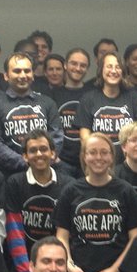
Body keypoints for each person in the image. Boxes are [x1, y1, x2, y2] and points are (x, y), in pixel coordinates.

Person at [54, 133, 137, 272]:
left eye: (104, 152)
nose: (98, 157)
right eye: (92, 152)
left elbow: (136, 237)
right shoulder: (71, 190)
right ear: (84, 157)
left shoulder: (125, 191)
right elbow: (61, 235)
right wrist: (69, 265)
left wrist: (115, 270)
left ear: (112, 157)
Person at [5, 130, 71, 272]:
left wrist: (60, 269)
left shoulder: (68, 185)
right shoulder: (15, 183)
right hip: (23, 266)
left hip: (58, 268)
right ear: (25, 156)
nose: (39, 154)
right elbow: (14, 231)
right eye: (33, 150)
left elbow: (67, 235)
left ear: (53, 153)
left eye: (44, 149)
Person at [0, 52, 63, 175]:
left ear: (33, 75)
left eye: (27, 71)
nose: (23, 75)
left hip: (45, 171)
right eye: (17, 71)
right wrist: (26, 161)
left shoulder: (47, 102)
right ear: (6, 76)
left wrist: (41, 160)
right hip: (7, 174)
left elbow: (56, 137)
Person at [75, 51, 137, 162]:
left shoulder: (133, 98)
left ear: (123, 72)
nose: (114, 71)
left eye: (118, 67)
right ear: (101, 70)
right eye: (109, 66)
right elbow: (84, 137)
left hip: (128, 165)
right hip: (99, 163)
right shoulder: (88, 99)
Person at [51, 48, 91, 179]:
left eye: (83, 65)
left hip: (88, 161)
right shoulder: (52, 95)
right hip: (60, 162)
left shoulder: (94, 94)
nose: (78, 68)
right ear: (65, 65)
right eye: (74, 63)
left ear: (87, 69)